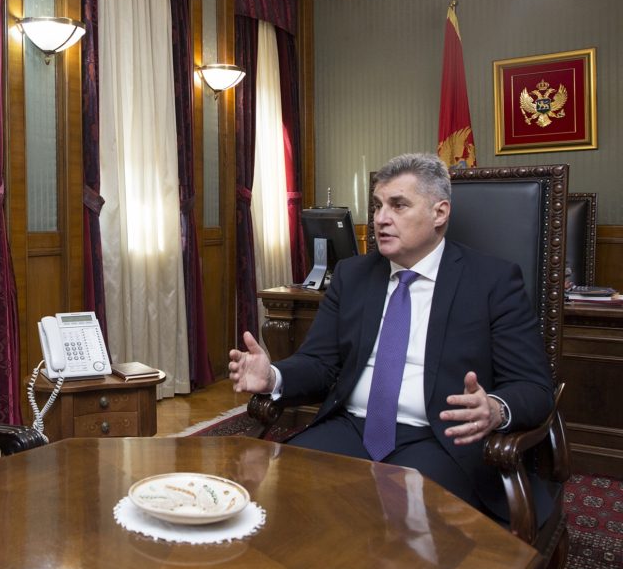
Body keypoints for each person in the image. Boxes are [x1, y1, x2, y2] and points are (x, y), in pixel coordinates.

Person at [228, 153, 554, 524]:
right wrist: (273, 376)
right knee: (277, 501)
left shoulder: (492, 281)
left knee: (405, 524)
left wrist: (495, 408)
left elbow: (533, 387)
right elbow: (319, 363)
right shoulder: (352, 276)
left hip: (439, 440)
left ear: (439, 213)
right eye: (378, 206)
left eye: (398, 205)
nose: (381, 218)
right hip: (351, 429)